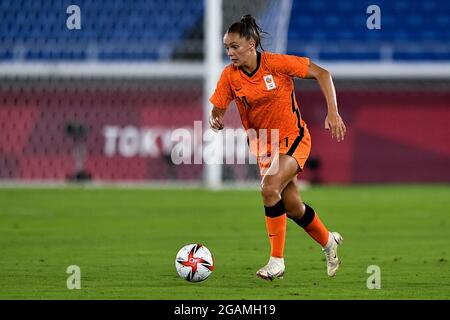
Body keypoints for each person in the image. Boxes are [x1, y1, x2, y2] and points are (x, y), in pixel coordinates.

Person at [209, 14, 347, 280]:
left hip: (293, 136)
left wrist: (333, 113)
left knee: (269, 188)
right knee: (293, 207)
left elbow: (322, 73)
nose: (230, 52)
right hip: (265, 146)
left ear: (251, 44)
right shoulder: (229, 76)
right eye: (227, 47)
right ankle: (329, 242)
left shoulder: (276, 64)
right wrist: (216, 117)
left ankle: (277, 262)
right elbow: (218, 106)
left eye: (234, 46)